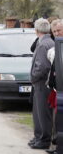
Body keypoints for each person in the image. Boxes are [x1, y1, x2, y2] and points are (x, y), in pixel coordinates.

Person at [29, 18, 55, 150]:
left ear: (36, 30)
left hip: (42, 83)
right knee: (38, 111)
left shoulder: (43, 44)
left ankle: (43, 139)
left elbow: (42, 66)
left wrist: (33, 77)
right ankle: (39, 137)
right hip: (44, 82)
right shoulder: (49, 42)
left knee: (42, 112)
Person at [45, 19, 63, 154]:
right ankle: (57, 146)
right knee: (57, 120)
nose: (57, 33)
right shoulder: (55, 47)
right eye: (54, 31)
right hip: (56, 89)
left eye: (59, 30)